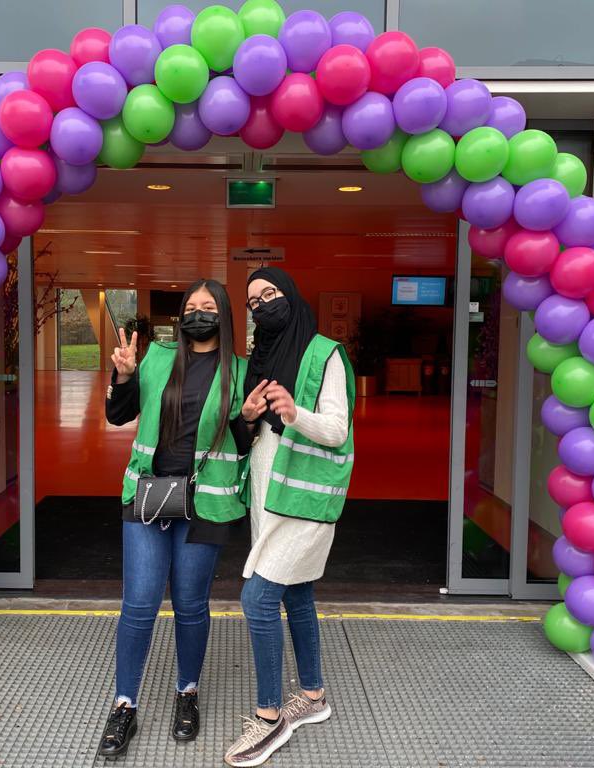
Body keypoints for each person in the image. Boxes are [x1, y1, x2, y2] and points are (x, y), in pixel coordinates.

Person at [99, 278, 251, 758]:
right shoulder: (158, 358)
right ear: (181, 315)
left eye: (208, 307)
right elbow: (119, 415)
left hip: (205, 505)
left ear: (223, 315)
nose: (198, 313)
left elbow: (246, 442)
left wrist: (248, 417)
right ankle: (125, 704)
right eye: (191, 306)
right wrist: (124, 375)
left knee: (190, 605)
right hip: (149, 496)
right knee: (139, 605)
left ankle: (187, 692)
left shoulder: (240, 372)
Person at [224, 267, 356, 768]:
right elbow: (249, 437)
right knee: (296, 592)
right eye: (253, 302)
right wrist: (248, 416)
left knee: (258, 599)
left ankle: (269, 715)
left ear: (291, 296)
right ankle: (314, 696)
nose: (262, 305)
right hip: (268, 495)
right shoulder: (259, 358)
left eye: (270, 293)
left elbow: (337, 429)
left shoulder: (325, 354)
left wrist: (295, 413)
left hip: (304, 500)